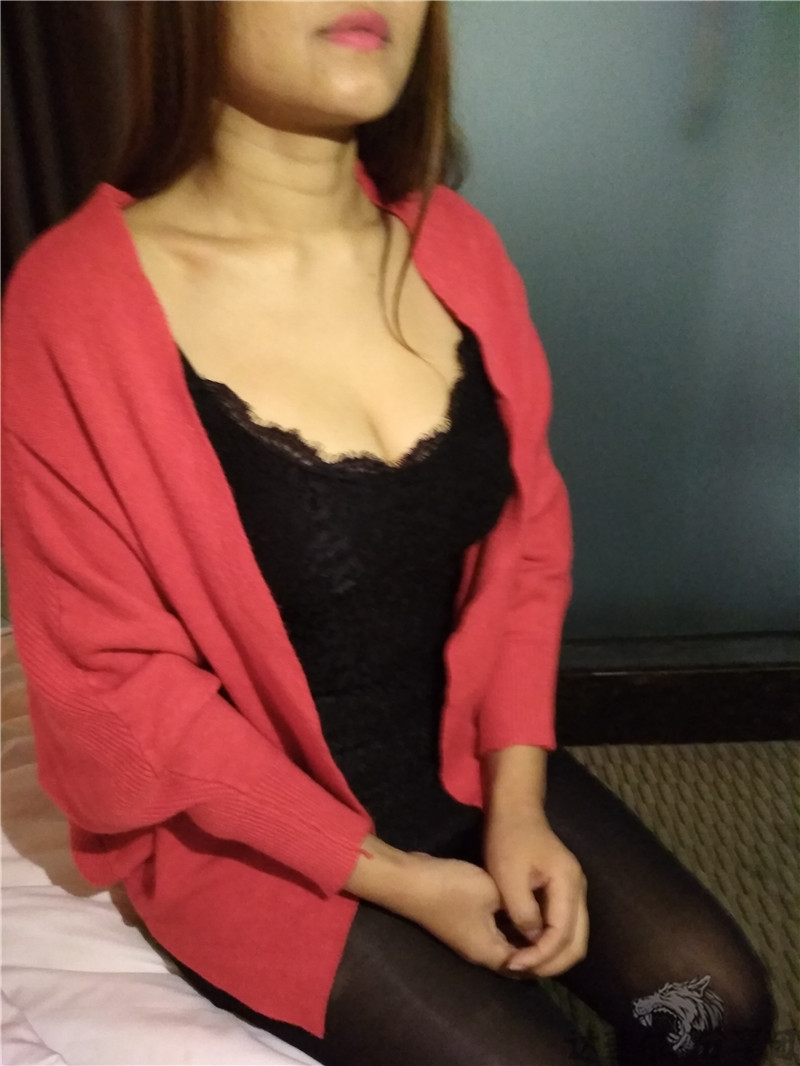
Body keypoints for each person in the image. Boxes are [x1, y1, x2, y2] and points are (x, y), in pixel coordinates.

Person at [1, 3, 775, 1064]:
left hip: (462, 767)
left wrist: (518, 801)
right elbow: (118, 688)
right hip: (258, 839)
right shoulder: (74, 306)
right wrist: (400, 880)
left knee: (710, 1008)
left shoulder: (455, 244)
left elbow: (526, 545)